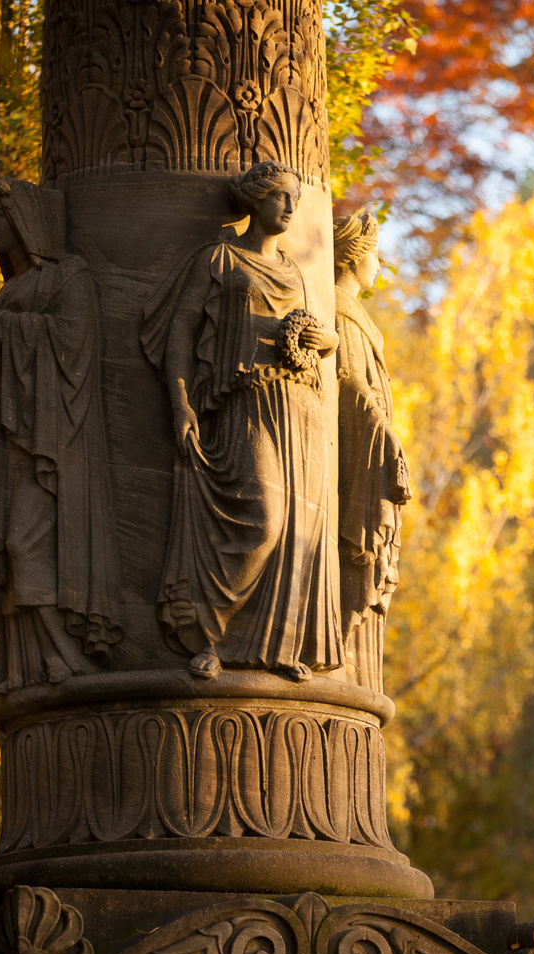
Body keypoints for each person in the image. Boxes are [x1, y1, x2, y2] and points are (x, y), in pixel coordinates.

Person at [140, 161, 342, 681]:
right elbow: (180, 335)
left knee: (298, 530)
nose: (291, 209)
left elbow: (325, 337)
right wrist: (180, 402)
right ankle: (209, 636)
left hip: (300, 409)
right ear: (254, 200)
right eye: (280, 197)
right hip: (246, 402)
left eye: (295, 199)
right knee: (262, 518)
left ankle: (279, 647)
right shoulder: (220, 259)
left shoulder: (297, 272)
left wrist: (323, 341)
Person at [0, 178, 122, 692]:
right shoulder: (8, 291)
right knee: (8, 545)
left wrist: (6, 331)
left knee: (25, 542)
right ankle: (22, 666)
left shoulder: (70, 277)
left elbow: (75, 344)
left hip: (56, 438)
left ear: (26, 223)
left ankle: (64, 655)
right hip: (12, 437)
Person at [333, 209, 410, 693]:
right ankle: (341, 660)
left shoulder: (359, 316)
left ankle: (358, 675)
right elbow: (350, 382)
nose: (379, 267)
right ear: (356, 257)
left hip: (371, 440)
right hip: (359, 449)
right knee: (359, 556)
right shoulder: (341, 311)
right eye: (376, 256)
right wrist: (384, 430)